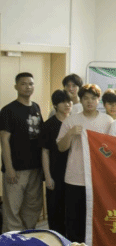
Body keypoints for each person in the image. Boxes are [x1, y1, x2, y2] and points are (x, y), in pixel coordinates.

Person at [57, 84, 113, 242]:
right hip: (75, 177)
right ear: (80, 100)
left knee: (97, 217)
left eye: (93, 98)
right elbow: (61, 147)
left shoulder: (107, 121)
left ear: (98, 100)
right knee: (74, 218)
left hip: (98, 178)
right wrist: (70, 133)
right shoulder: (71, 120)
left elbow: (111, 150)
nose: (90, 101)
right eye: (86, 98)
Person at [1, 73, 44, 233]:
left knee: (33, 206)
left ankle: (26, 237)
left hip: (35, 167)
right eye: (23, 84)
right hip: (16, 169)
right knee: (12, 208)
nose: (28, 87)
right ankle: (11, 240)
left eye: (31, 84)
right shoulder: (8, 110)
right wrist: (9, 168)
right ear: (16, 87)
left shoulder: (36, 107)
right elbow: (4, 140)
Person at [40, 90, 72, 236]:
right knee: (55, 210)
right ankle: (55, 240)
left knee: (70, 210)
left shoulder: (74, 122)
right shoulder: (49, 125)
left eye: (69, 101)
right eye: (63, 102)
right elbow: (45, 152)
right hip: (55, 172)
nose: (67, 104)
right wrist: (47, 177)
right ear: (55, 105)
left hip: (72, 173)